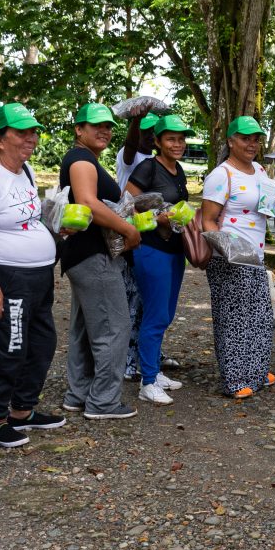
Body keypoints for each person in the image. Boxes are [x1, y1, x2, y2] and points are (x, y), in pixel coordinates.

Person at [0, 102, 65, 448]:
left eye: (33, 132)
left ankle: (22, 411)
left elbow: (29, 220)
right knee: (11, 346)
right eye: (21, 132)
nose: (31, 138)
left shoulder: (26, 171)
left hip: (38, 274)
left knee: (42, 343)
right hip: (8, 276)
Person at [59, 103, 142, 420]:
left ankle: (78, 394)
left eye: (108, 126)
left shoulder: (84, 159)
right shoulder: (81, 160)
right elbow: (88, 203)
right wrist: (126, 229)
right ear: (79, 129)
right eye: (96, 126)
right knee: (114, 326)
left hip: (82, 253)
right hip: (91, 255)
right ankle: (103, 401)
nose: (104, 131)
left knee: (84, 327)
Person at [200, 116, 275, 399]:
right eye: (245, 138)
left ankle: (256, 370)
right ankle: (235, 378)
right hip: (229, 257)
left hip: (254, 255)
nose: (251, 143)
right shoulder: (222, 174)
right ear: (231, 141)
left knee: (259, 316)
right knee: (233, 319)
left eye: (255, 138)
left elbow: (263, 208)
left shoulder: (259, 170)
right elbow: (208, 221)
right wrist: (226, 252)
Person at [125, 114, 194, 404]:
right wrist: (159, 217)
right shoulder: (147, 167)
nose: (177, 143)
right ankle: (148, 382)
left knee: (165, 314)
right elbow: (126, 207)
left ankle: (151, 370)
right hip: (151, 249)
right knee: (154, 315)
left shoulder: (178, 170)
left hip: (175, 250)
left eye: (181, 138)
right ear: (157, 141)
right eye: (171, 138)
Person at [117, 107, 162, 380]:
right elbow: (131, 145)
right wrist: (136, 119)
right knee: (131, 301)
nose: (149, 136)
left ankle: (147, 354)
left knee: (150, 302)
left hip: (153, 236)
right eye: (145, 131)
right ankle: (126, 361)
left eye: (153, 132)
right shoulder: (130, 158)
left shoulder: (159, 161)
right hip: (130, 236)